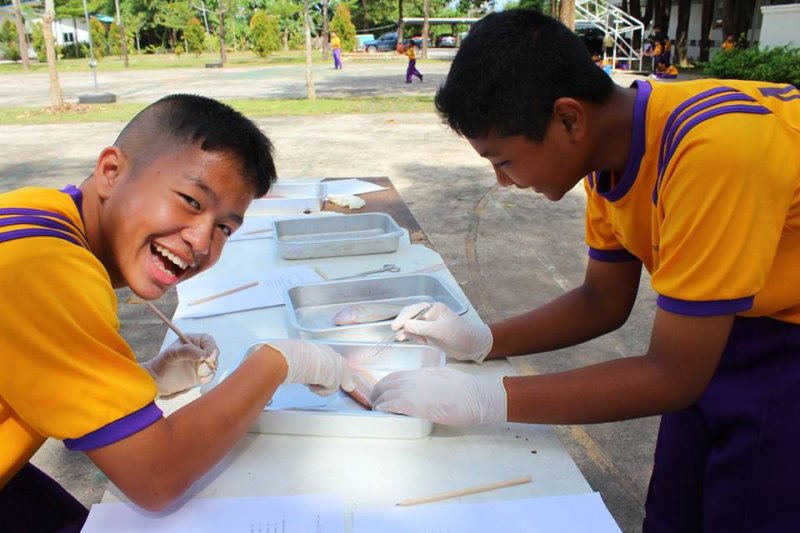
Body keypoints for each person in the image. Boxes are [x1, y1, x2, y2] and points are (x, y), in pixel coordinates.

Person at [369, 9, 800, 532]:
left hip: (784, 342)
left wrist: (488, 398)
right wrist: (483, 340)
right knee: (673, 512)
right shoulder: (611, 151)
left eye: (502, 160)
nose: (502, 181)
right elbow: (603, 300)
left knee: (751, 511)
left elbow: (673, 375)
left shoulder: (714, 152)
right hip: (722, 327)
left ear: (569, 119)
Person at [0, 94, 356, 530]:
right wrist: (278, 362)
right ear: (111, 171)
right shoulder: (44, 270)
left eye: (224, 227)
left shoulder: (37, 211)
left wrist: (143, 380)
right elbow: (156, 477)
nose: (202, 241)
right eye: (190, 200)